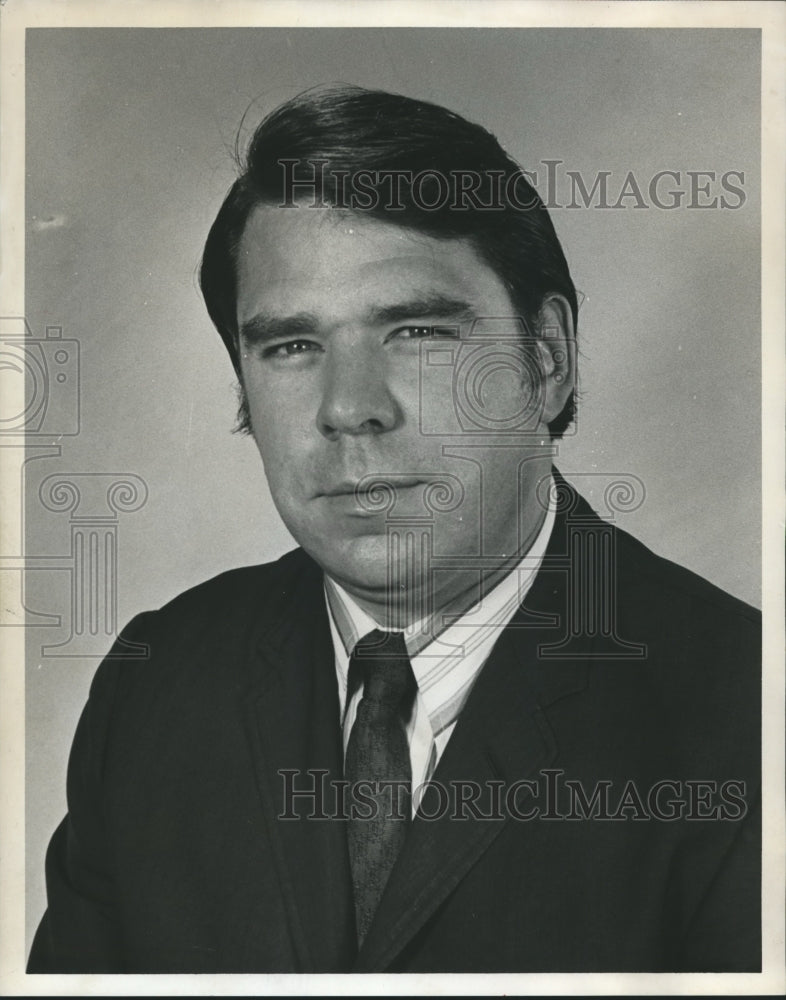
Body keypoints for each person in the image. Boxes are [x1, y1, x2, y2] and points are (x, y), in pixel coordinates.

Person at [28, 85, 760, 974]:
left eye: (416, 331)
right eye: (292, 346)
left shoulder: (746, 714)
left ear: (550, 359)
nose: (350, 410)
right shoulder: (156, 685)